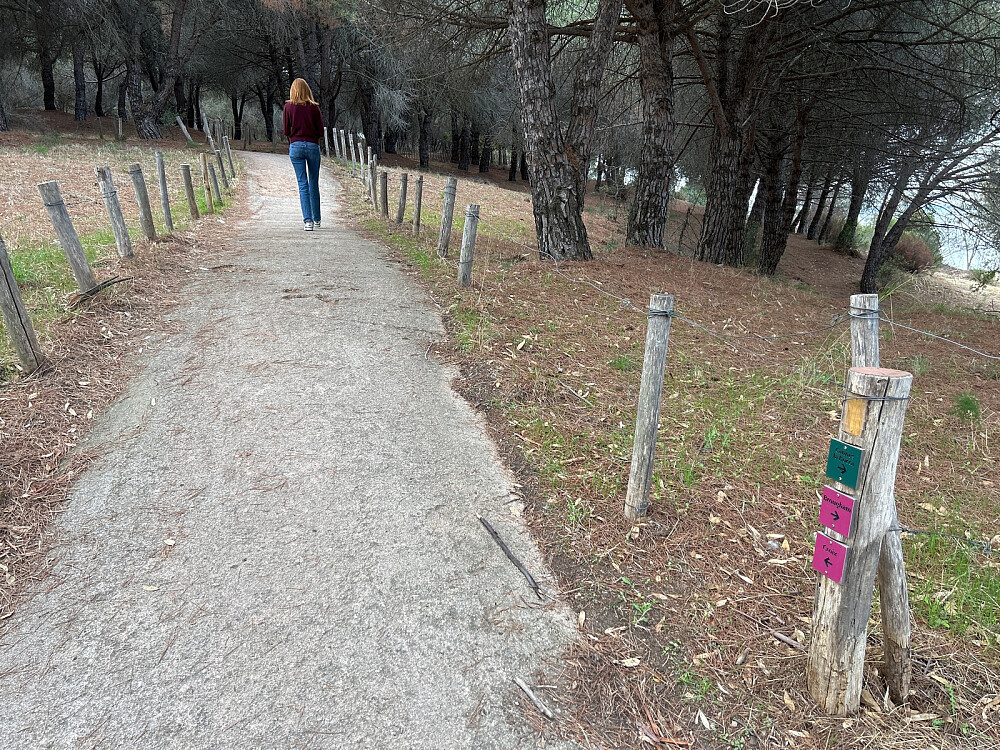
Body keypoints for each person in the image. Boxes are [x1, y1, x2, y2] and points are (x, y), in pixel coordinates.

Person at [282, 78, 324, 230]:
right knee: (314, 182)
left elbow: (286, 131)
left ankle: (308, 221)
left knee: (302, 183)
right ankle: (317, 218)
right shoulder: (314, 108)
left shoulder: (288, 107)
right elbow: (320, 131)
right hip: (313, 146)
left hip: (296, 146)